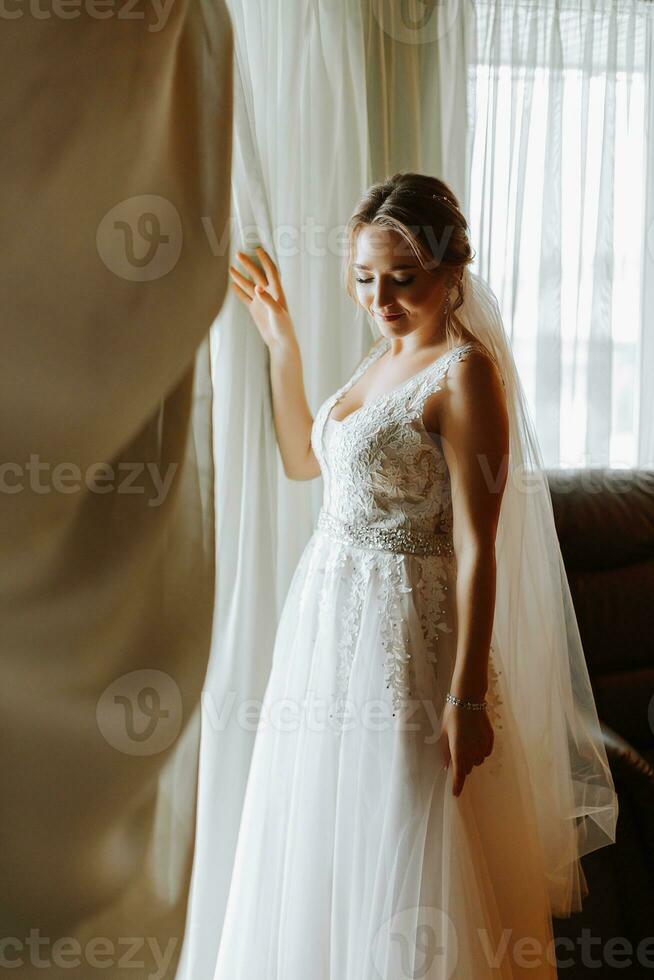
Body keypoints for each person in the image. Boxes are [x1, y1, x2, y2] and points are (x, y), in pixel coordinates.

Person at [217, 172, 618, 979]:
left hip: (412, 639)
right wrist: (282, 342)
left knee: (409, 834)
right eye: (366, 279)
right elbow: (305, 459)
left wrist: (466, 698)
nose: (382, 298)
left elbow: (478, 545)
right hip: (330, 633)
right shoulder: (382, 354)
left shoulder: (465, 374)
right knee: (333, 837)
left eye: (404, 279)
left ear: (451, 272)